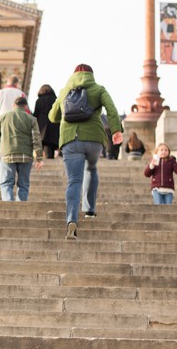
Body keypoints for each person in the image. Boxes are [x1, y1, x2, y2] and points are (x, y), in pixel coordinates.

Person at [49, 64, 123, 240]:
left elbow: (53, 116)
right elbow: (111, 109)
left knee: (74, 180)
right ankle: (89, 210)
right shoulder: (98, 89)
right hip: (94, 139)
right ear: (91, 74)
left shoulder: (64, 90)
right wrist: (116, 130)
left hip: (70, 139)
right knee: (91, 169)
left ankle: (71, 220)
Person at [0, 95, 43, 202]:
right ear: (25, 106)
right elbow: (36, 139)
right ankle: (20, 205)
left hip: (6, 154)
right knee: (23, 184)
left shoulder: (2, 117)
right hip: (26, 156)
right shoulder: (32, 119)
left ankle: (8, 205)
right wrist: (39, 158)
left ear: (13, 105)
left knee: (6, 183)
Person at [32, 84, 60, 159]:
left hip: (42, 126)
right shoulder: (55, 99)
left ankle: (40, 159)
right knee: (51, 145)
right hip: (54, 124)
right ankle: (50, 158)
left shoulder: (39, 101)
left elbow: (35, 114)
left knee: (41, 143)